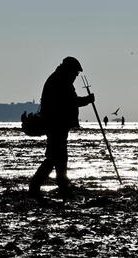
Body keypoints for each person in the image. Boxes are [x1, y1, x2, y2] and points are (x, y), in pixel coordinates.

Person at [28, 56, 95, 199]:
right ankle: (36, 184)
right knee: (54, 156)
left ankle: (61, 183)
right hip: (56, 124)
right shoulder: (61, 80)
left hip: (59, 124)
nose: (76, 76)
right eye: (75, 73)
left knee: (59, 157)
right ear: (69, 70)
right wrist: (88, 100)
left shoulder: (59, 78)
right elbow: (71, 101)